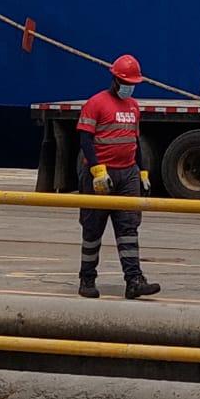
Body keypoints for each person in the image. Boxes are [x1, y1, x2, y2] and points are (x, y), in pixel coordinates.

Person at [76, 55, 160, 300]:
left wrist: (142, 172)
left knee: (128, 229)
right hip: (100, 175)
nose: (129, 87)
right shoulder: (96, 103)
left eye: (132, 83)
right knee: (92, 229)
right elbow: (85, 139)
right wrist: (96, 169)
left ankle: (134, 280)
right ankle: (87, 279)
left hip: (128, 174)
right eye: (126, 82)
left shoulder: (133, 106)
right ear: (115, 80)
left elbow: (135, 141)